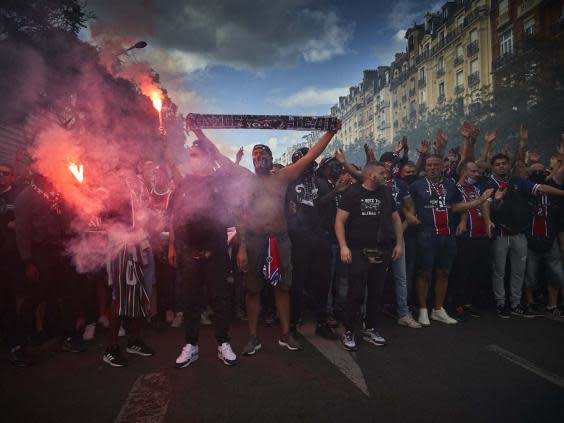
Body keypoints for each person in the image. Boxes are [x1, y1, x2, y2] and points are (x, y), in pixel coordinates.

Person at [237, 126, 340, 355]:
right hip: (254, 240)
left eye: (263, 154)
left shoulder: (282, 177)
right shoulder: (245, 181)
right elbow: (240, 214)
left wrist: (331, 133)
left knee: (282, 287)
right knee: (253, 290)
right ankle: (253, 337)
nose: (258, 157)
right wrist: (242, 247)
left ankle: (286, 334)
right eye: (255, 154)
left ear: (271, 159)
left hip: (279, 240)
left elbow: (311, 155)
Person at [169, 131, 241, 368]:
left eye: (197, 154)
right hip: (188, 253)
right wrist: (172, 246)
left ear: (208, 157)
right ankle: (191, 345)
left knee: (220, 298)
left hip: (216, 252)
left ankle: (223, 343)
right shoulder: (184, 183)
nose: (193, 159)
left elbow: (233, 213)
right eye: (191, 155)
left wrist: (200, 132)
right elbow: (174, 217)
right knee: (190, 301)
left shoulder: (220, 180)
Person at [409, 155, 493, 326]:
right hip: (426, 235)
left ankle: (438, 309)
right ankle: (423, 310)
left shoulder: (449, 185)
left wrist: (467, 215)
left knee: (444, 272)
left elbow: (457, 206)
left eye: (435, 165)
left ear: (441, 167)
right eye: (429, 165)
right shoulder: (416, 185)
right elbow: (407, 206)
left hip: (447, 235)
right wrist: (410, 217)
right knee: (424, 273)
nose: (432, 168)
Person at [483, 149, 564, 318]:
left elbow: (540, 187)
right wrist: (491, 214)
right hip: (500, 233)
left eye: (504, 163)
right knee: (499, 270)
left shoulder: (517, 181)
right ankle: (500, 303)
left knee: (519, 271)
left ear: (508, 166)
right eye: (497, 164)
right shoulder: (489, 184)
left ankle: (516, 303)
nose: (501, 167)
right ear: (492, 167)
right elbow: (488, 205)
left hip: (519, 234)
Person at [335, 161, 404, 351]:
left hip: (380, 249)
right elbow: (339, 221)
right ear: (371, 175)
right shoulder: (353, 193)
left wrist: (399, 244)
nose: (386, 176)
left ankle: (371, 328)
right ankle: (349, 330)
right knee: (355, 291)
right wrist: (343, 246)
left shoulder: (386, 192)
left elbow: (396, 218)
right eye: (382, 173)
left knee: (376, 290)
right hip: (358, 249)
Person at [15, 172, 86, 353]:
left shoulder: (57, 193)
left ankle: (69, 335)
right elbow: (22, 232)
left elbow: (67, 222)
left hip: (60, 251)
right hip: (39, 254)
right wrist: (27, 262)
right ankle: (20, 343)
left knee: (67, 293)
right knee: (36, 296)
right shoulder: (25, 197)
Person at [286, 148, 338, 340]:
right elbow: (286, 210)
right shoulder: (289, 183)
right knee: (297, 283)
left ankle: (321, 323)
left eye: (310, 162)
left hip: (319, 239)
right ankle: (292, 323)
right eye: (303, 162)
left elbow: (323, 207)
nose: (308, 166)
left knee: (322, 283)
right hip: (298, 240)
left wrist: (336, 192)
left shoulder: (320, 182)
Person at [450, 161, 493, 321]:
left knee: (478, 271)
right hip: (465, 236)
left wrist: (488, 221)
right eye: (473, 171)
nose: (477, 174)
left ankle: (468, 302)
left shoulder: (476, 188)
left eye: (477, 171)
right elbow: (456, 207)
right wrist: (479, 201)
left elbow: (485, 205)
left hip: (481, 235)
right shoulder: (455, 188)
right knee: (462, 271)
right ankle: (457, 305)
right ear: (463, 172)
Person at [0, 163, 32, 366]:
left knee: (16, 299)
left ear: (12, 177)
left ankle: (18, 343)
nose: (1, 177)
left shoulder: (18, 197)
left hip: (13, 258)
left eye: (4, 174)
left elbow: (22, 224)